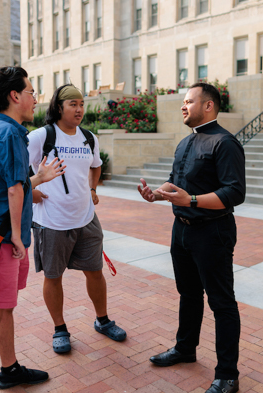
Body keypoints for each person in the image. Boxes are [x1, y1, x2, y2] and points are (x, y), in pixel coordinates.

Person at [0, 66, 65, 392]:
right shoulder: (9, 135)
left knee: (3, 308)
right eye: (32, 92)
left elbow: (12, 184)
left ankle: (10, 369)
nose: (36, 99)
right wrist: (18, 237)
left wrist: (38, 180)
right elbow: (13, 191)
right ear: (15, 96)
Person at [138, 83, 245, 393]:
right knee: (188, 293)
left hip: (213, 232)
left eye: (189, 101)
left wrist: (193, 201)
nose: (183, 106)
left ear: (208, 106)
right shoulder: (186, 143)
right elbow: (179, 184)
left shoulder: (224, 143)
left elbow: (234, 192)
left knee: (222, 303)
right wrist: (158, 194)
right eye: (183, 102)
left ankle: (227, 374)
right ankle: (185, 348)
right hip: (182, 230)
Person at [27, 84, 126, 355]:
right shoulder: (41, 137)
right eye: (73, 104)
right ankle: (60, 329)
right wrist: (31, 192)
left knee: (95, 271)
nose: (79, 109)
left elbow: (96, 166)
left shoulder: (89, 138)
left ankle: (102, 320)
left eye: (82, 104)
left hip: (86, 219)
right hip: (52, 222)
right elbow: (15, 169)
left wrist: (93, 189)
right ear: (59, 107)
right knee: (53, 275)